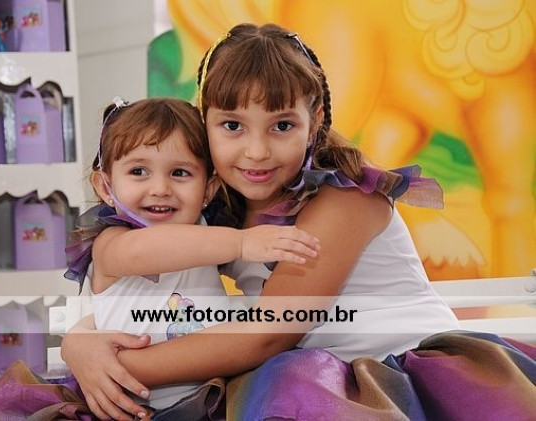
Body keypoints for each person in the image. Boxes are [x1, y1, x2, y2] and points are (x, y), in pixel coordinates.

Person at [30, 23, 536, 420]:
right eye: (232, 125)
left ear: (315, 124)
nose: (256, 151)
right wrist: (80, 343)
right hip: (316, 378)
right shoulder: (220, 212)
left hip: (396, 375)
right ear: (205, 123)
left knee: (288, 386)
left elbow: (268, 335)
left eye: (282, 126)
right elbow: (141, 291)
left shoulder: (345, 201)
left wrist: (119, 367)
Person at [0, 97, 320, 420]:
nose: (160, 188)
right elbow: (149, 250)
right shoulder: (111, 244)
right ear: (105, 187)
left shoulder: (207, 234)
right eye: (138, 171)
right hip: (131, 407)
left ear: (208, 190)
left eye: (180, 173)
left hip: (211, 396)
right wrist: (242, 242)